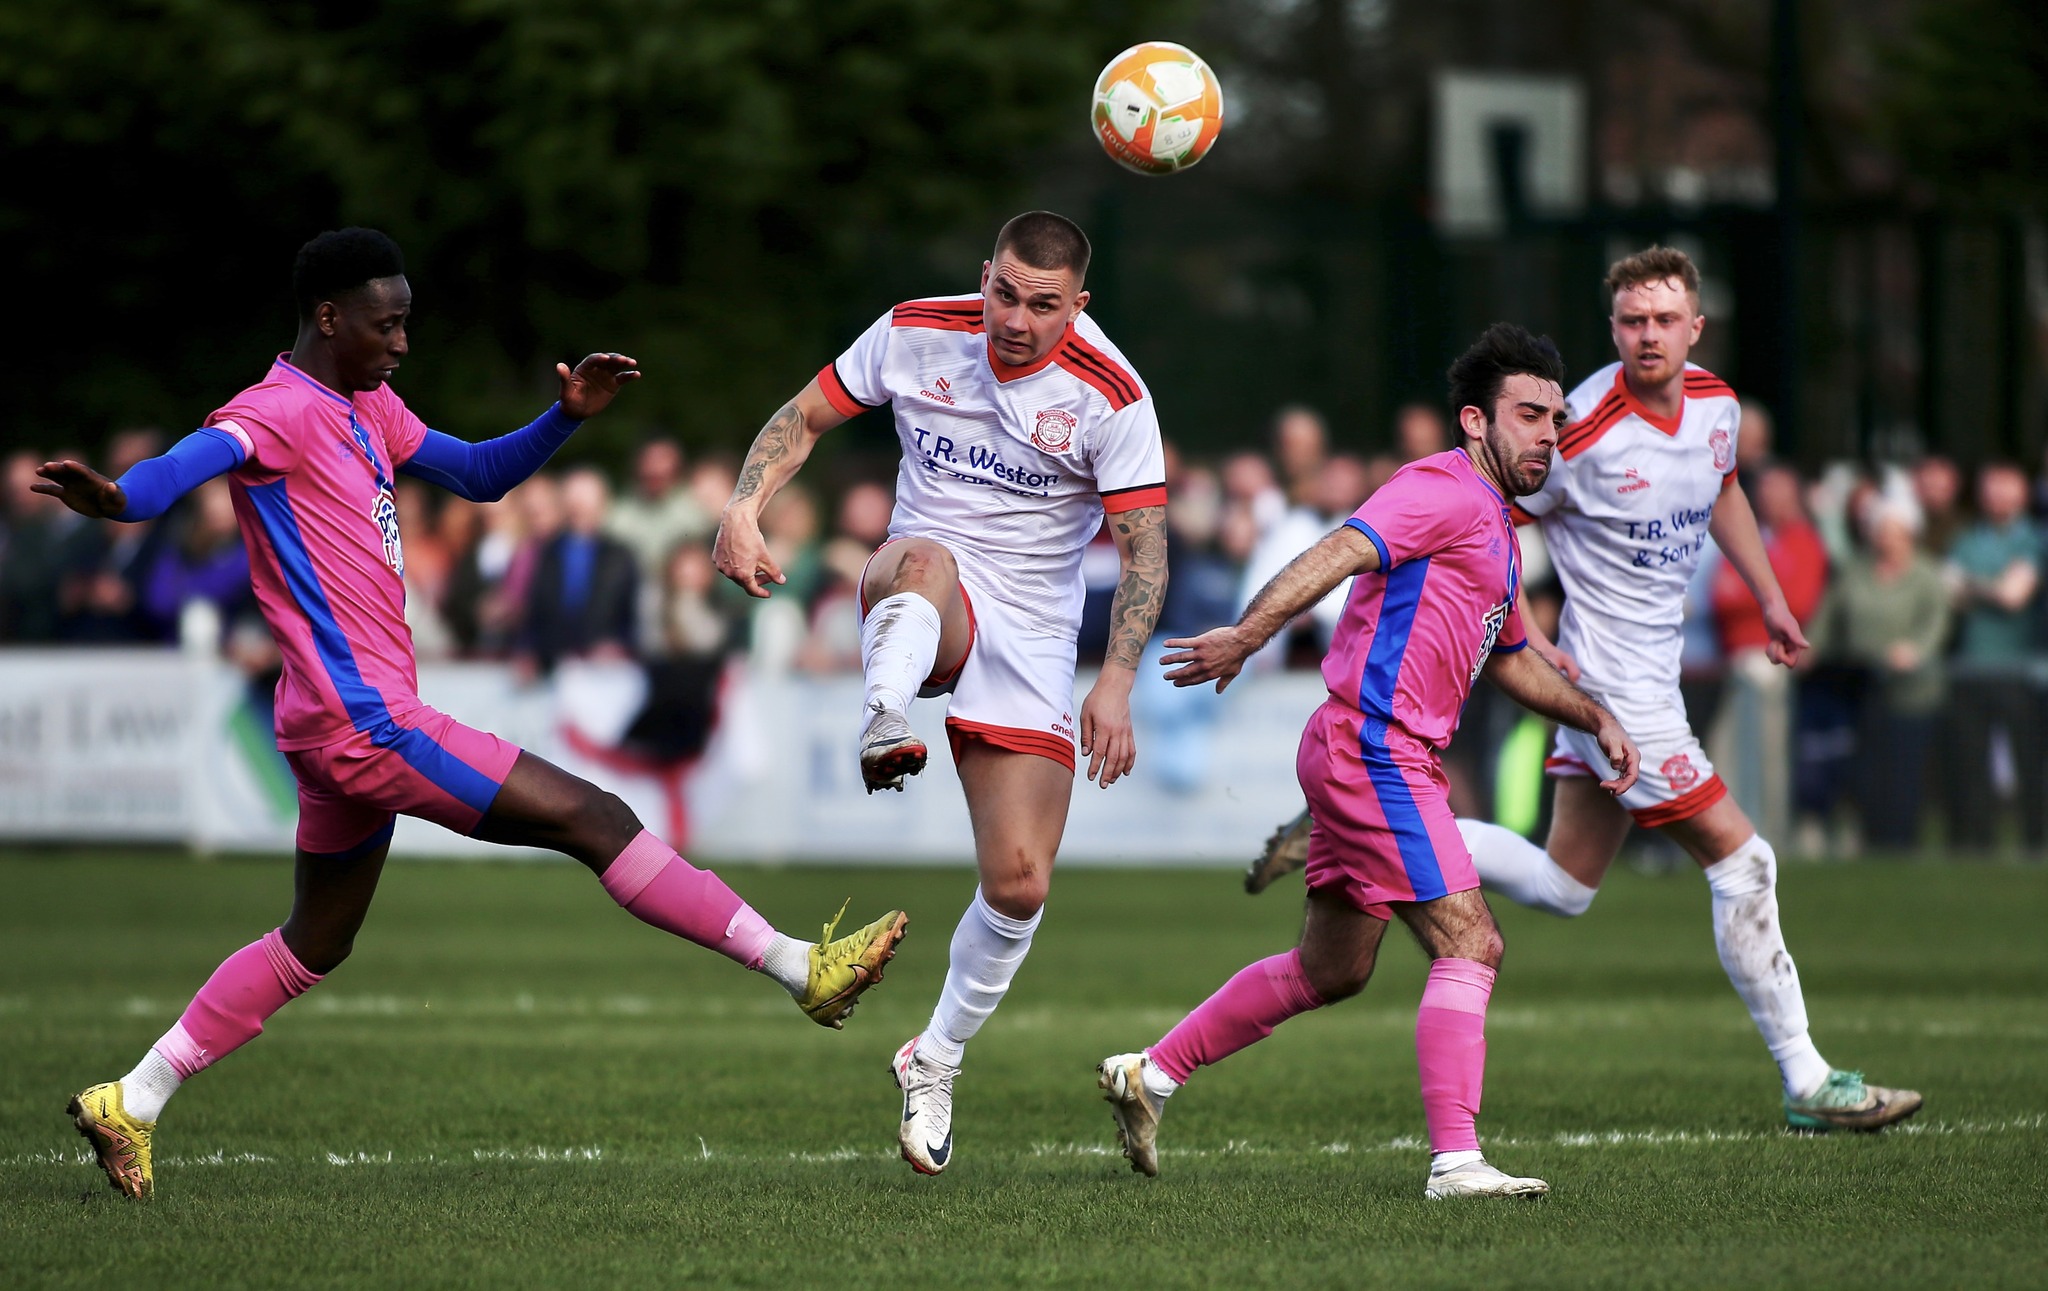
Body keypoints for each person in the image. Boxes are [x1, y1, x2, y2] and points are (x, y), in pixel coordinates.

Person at [34, 227, 908, 1201]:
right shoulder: (275, 409)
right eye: (387, 323)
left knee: (315, 941)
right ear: (329, 318)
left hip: (328, 726)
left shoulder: (366, 402)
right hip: (366, 723)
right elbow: (193, 460)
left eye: (405, 322)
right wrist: (119, 499)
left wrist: (562, 416)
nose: (402, 342)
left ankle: (134, 1096)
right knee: (597, 819)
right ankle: (801, 968)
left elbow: (479, 473)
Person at [1244, 246, 1921, 1133]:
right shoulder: (1579, 428)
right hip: (1612, 688)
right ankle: (1807, 1076)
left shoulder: (1717, 406)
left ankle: (1359, 824)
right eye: (1632, 321)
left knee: (1566, 884)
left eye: (1664, 320)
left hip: (1652, 678)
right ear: (1613, 328)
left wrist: (1768, 594)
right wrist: (1524, 627)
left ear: (1694, 327)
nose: (1648, 335)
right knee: (1745, 860)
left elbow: (1722, 488)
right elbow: (1488, 514)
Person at [1096, 324, 1639, 1199]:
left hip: (1370, 750)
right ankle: (1457, 1161)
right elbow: (1339, 551)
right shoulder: (1442, 488)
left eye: (1555, 415)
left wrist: (1594, 715)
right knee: (1473, 938)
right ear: (1474, 421)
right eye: (1529, 414)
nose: (1548, 432)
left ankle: (1149, 1074)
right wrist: (1249, 632)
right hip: (1374, 748)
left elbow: (1507, 659)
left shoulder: (1497, 527)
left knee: (1333, 969)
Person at [713, 210, 1168, 1175]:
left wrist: (1116, 679)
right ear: (985, 276)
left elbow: (1144, 553)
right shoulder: (918, 327)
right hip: (926, 586)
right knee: (920, 557)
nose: (1015, 317)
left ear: (1078, 307)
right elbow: (803, 418)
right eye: (1003, 290)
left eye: (1043, 304)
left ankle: (934, 1056)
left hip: (1037, 632)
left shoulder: (1113, 394)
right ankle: (885, 712)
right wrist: (743, 507)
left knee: (1019, 882)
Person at [1804, 494, 1950, 851]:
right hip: (1859, 688)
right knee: (1864, 771)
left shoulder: (1927, 574)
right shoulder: (1855, 570)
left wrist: (1914, 650)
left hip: (1911, 692)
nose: (1887, 537)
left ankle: (1901, 842)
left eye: (1895, 530)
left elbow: (1936, 623)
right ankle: (1868, 839)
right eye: (1881, 529)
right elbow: (1828, 616)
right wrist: (1806, 649)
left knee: (1903, 773)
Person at [1943, 461, 2045, 851]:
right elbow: (1948, 592)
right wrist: (1990, 588)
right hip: (1970, 669)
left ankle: (2034, 841)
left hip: (2019, 671)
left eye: (2008, 488)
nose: (1999, 497)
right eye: (1992, 488)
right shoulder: (1966, 539)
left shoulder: (2032, 539)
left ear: (2022, 494)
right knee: (1971, 764)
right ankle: (1976, 843)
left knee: (2028, 761)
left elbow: (2014, 597)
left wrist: (1970, 585)